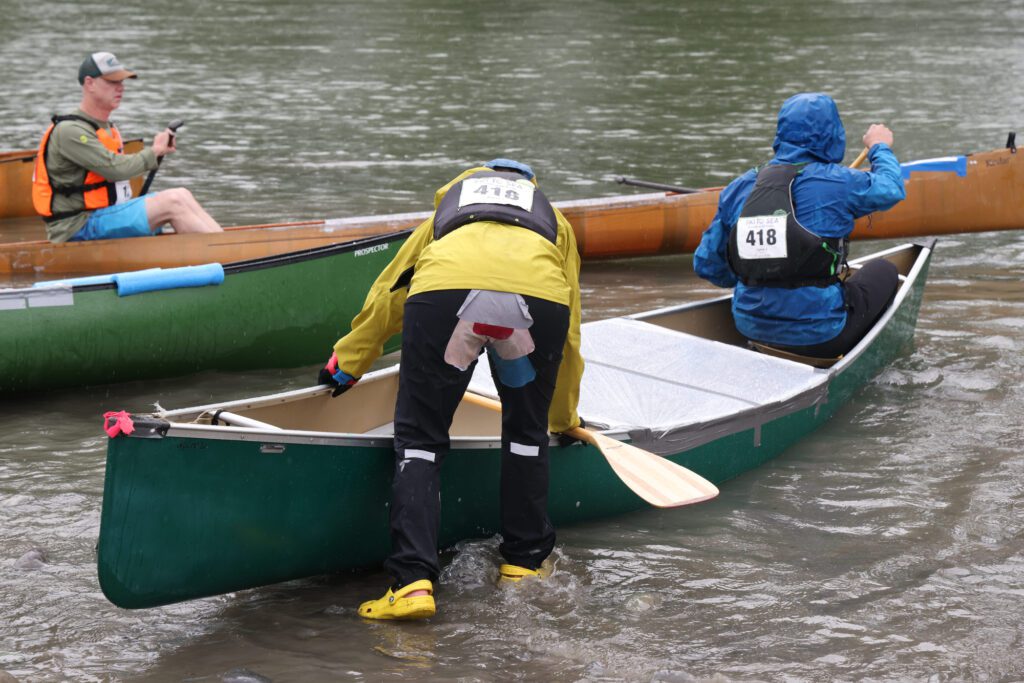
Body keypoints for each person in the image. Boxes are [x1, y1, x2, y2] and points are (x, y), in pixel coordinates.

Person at [319, 158, 584, 620]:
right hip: (534, 307)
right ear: (529, 186)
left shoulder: (446, 212)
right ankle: (523, 564)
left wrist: (351, 361)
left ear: (473, 181)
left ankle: (411, 583)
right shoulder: (554, 221)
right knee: (527, 435)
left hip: (446, 299)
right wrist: (562, 420)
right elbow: (573, 326)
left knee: (420, 438)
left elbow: (392, 291)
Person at [693, 92, 906, 358]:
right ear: (833, 134)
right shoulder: (838, 182)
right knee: (884, 270)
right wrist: (879, 146)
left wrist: (761, 276)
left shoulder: (739, 187)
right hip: (822, 335)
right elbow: (891, 189)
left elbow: (708, 266)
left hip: (749, 327)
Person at [32, 51, 222, 243]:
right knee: (174, 201)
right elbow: (117, 169)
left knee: (183, 195)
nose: (120, 88)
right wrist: (154, 151)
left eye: (122, 82)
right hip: (76, 227)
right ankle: (225, 259)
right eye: (112, 82)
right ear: (90, 83)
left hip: (102, 216)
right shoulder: (70, 131)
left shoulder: (107, 127)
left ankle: (229, 249)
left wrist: (157, 152)